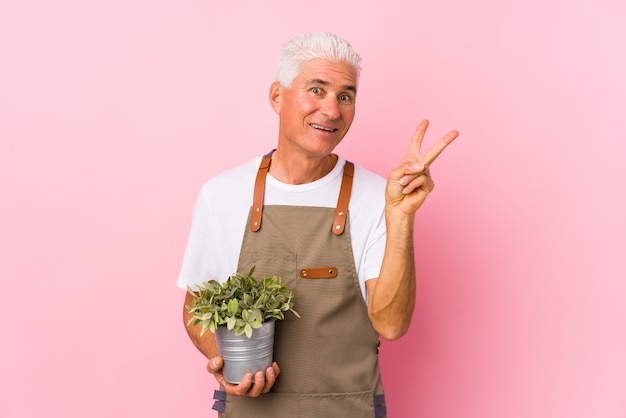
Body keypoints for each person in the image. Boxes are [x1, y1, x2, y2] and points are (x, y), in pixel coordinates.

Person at [178, 32, 459, 417]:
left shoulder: (377, 196)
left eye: (346, 96)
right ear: (278, 96)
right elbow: (196, 305)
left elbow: (391, 325)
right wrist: (223, 358)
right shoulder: (222, 194)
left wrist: (401, 217)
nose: (331, 110)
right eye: (317, 89)